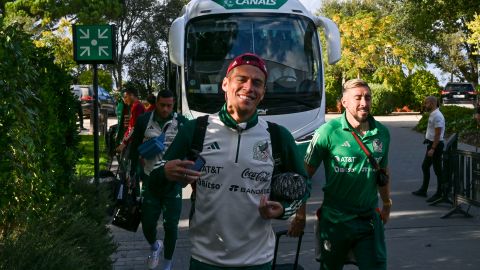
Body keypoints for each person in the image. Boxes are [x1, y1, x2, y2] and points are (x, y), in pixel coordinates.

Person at [149, 53, 310, 269]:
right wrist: (165, 172)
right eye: (241, 79)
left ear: (263, 93)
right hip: (204, 260)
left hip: (258, 261)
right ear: (225, 84)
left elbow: (303, 187)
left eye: (257, 83)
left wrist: (284, 210)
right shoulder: (197, 129)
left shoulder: (277, 136)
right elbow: (155, 178)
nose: (249, 87)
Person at [295, 78, 391, 270]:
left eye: (368, 97)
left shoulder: (382, 132)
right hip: (335, 222)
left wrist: (387, 202)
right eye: (358, 98)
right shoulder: (327, 132)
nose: (364, 102)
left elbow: (383, 172)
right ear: (344, 102)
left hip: (368, 220)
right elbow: (303, 176)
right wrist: (300, 215)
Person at [129, 90, 187, 270]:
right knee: (147, 224)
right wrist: (133, 173)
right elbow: (135, 147)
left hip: (172, 183)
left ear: (174, 104)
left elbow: (189, 148)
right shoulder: (144, 120)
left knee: (171, 226)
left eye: (169, 105)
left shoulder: (182, 122)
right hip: (150, 181)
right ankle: (155, 246)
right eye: (162, 105)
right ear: (157, 103)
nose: (165, 109)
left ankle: (167, 264)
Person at [412, 96, 445, 203]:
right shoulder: (433, 114)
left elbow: (438, 133)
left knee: (437, 170)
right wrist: (428, 140)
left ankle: (440, 193)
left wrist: (433, 148)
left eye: (426, 103)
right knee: (425, 166)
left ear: (431, 103)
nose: (425, 105)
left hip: (436, 145)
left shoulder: (438, 116)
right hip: (431, 144)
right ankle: (423, 190)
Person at [116, 86, 146, 153]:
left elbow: (134, 127)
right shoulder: (135, 106)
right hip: (133, 141)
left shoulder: (137, 107)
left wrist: (124, 143)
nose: (125, 100)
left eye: (126, 97)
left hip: (135, 142)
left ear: (132, 95)